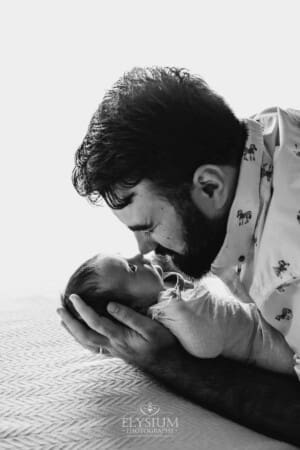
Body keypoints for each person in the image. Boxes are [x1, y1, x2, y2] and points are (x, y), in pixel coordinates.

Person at [57, 66, 300, 445]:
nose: (145, 249)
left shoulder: (288, 276)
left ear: (209, 186)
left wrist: (166, 363)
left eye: (147, 227)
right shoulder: (275, 128)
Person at [61, 252, 294, 373]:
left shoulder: (166, 293)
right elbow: (207, 345)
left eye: (125, 255)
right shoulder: (168, 314)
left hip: (267, 319)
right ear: (134, 309)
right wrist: (172, 301)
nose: (138, 257)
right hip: (273, 348)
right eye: (130, 268)